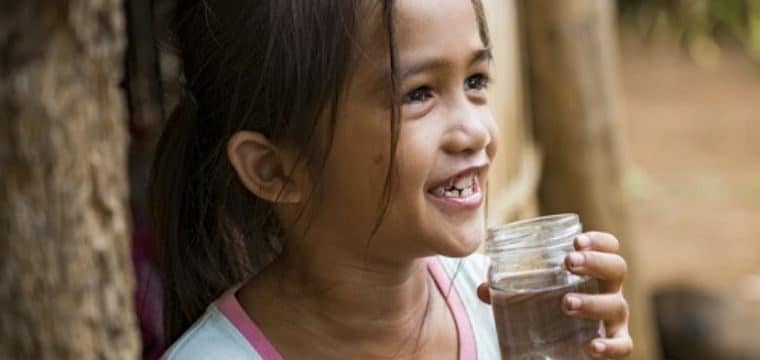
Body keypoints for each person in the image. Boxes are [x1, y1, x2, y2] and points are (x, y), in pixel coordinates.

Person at [152, 0, 634, 358]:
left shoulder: (501, 313)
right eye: (418, 94)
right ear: (273, 169)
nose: (475, 132)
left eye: (475, 81)